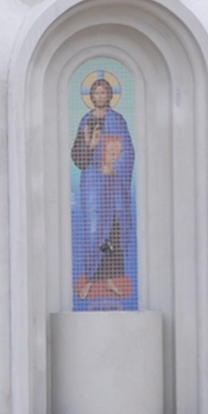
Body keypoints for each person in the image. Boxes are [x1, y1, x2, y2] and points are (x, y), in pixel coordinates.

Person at [70, 71, 135, 306]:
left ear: (109, 95)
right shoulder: (85, 122)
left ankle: (110, 279)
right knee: (93, 229)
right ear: (91, 96)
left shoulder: (118, 120)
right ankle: (90, 278)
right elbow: (77, 158)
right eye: (96, 93)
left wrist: (114, 167)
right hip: (93, 185)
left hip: (114, 184)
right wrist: (90, 145)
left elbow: (128, 150)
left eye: (103, 92)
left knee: (115, 228)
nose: (99, 96)